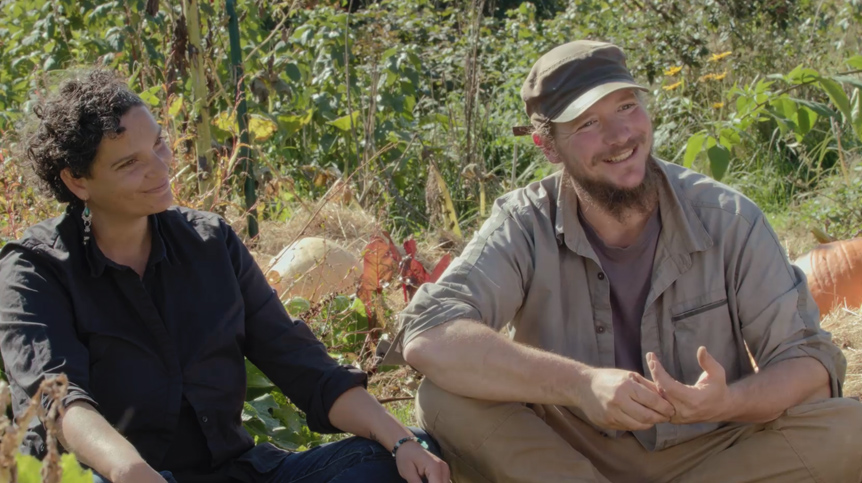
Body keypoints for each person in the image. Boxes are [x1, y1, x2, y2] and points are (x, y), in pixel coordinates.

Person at [383, 40, 862, 482]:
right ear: (546, 145)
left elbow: (811, 364)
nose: (619, 136)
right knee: (444, 397)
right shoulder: (524, 223)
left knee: (850, 429)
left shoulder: (727, 218)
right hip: (570, 453)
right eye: (587, 124)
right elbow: (429, 334)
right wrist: (580, 384)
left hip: (713, 450)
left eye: (627, 107)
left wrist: (730, 400)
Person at [0, 69, 450, 483]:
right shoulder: (34, 271)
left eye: (158, 144)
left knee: (395, 460)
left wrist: (403, 442)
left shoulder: (210, 245)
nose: (160, 168)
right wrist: (131, 472)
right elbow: (61, 401)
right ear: (78, 181)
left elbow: (304, 367)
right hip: (114, 476)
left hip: (233, 473)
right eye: (129, 164)